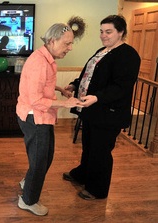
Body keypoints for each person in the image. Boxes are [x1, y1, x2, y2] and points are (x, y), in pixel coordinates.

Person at [62, 15, 141, 200]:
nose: (103, 35)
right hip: (92, 110)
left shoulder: (128, 55)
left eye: (108, 32)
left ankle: (97, 189)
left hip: (109, 114)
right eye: (101, 31)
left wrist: (97, 97)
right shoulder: (103, 50)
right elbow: (90, 75)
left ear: (121, 32)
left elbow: (121, 86)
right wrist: (74, 84)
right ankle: (82, 174)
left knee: (101, 151)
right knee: (89, 146)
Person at [16, 23, 82, 216]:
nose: (70, 48)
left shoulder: (46, 58)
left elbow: (40, 86)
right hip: (34, 117)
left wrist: (59, 89)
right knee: (40, 162)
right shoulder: (39, 62)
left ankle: (27, 182)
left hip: (40, 116)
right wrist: (65, 103)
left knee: (45, 157)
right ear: (52, 41)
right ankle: (28, 200)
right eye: (67, 43)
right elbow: (36, 99)